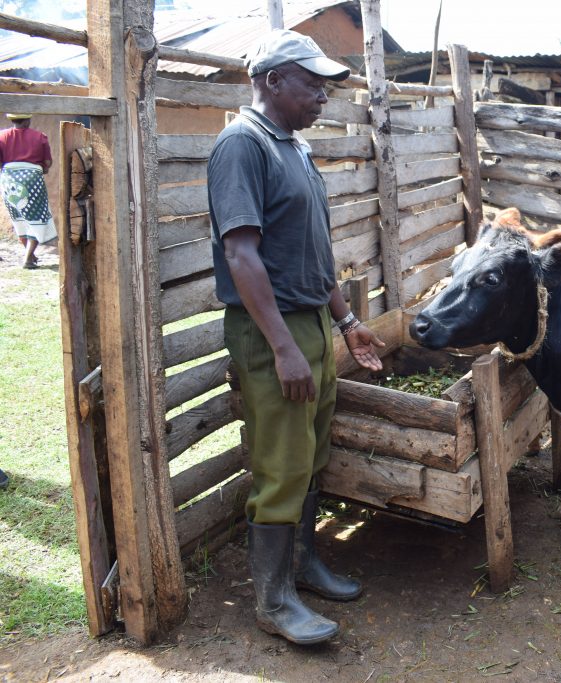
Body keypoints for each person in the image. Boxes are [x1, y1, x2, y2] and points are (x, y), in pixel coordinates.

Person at [207, 30, 385, 646]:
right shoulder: (241, 145)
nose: (322, 95)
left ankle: (303, 563)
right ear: (272, 80)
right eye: (312, 83)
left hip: (309, 323)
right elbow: (241, 253)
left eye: (326, 86)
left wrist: (347, 321)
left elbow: (315, 253)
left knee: (309, 454)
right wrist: (282, 346)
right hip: (269, 329)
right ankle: (273, 599)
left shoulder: (296, 150)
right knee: (281, 464)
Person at [0, 113, 56, 269]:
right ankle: (27, 258)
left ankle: (29, 254)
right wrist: (43, 168)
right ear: (27, 120)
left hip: (8, 181)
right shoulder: (40, 137)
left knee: (19, 218)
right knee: (38, 217)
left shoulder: (1, 136)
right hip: (32, 179)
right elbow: (47, 162)